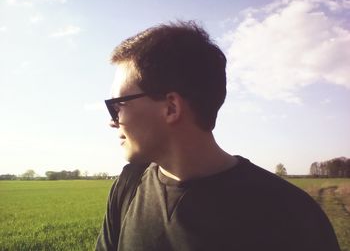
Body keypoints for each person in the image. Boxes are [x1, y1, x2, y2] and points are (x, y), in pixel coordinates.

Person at [96, 21, 340, 251]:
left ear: (171, 107)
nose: (111, 121)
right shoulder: (128, 186)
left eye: (117, 106)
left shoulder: (291, 215)